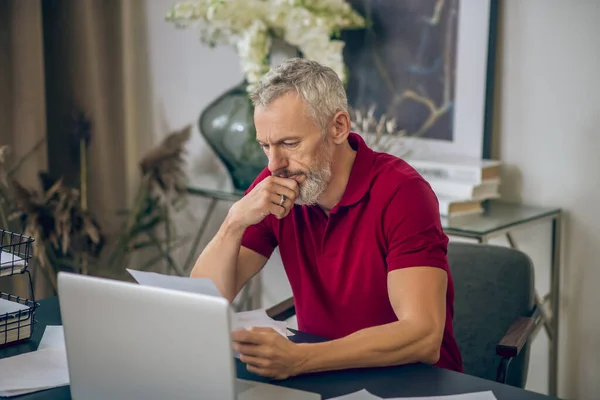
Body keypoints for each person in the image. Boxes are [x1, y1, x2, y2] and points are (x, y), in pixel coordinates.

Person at [191, 57, 463, 379]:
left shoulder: (403, 193)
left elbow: (422, 337)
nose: (275, 163)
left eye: (289, 143)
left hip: (411, 383)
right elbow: (201, 305)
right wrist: (234, 220)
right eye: (265, 146)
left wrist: (300, 359)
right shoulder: (277, 184)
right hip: (323, 373)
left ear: (338, 127)